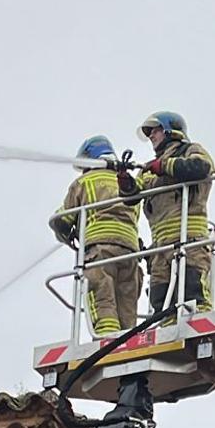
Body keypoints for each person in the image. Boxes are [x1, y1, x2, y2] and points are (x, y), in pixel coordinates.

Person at [49, 136, 141, 340]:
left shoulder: (84, 182)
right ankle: (128, 342)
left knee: (102, 298)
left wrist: (64, 231)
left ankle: (107, 340)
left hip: (100, 250)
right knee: (126, 304)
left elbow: (63, 219)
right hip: (130, 250)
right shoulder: (128, 183)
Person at [136, 111, 215, 316]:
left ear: (170, 131)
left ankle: (200, 334)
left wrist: (165, 165)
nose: (151, 136)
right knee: (161, 303)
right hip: (160, 251)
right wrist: (125, 182)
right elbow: (132, 196)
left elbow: (201, 167)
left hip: (189, 242)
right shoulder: (148, 170)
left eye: (155, 131)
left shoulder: (189, 150)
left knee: (193, 294)